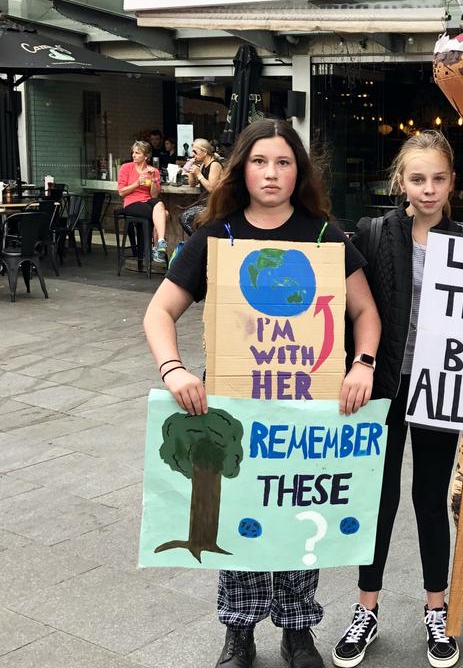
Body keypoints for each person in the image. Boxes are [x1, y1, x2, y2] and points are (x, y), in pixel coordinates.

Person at [143, 118, 382, 668]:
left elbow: (365, 311)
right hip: (235, 407)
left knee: (300, 513)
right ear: (241, 168)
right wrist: (174, 369)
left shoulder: (324, 236)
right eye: (259, 161)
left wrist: (363, 362)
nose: (271, 173)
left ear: (298, 171)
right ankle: (240, 631)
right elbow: (160, 310)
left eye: (283, 162)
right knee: (242, 514)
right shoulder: (216, 237)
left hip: (309, 408)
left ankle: (299, 630)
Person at [332, 131, 463, 668]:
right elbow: (346, 304)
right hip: (382, 389)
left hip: (440, 393)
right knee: (377, 501)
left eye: (439, 179)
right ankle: (366, 609)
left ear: (452, 182)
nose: (428, 189)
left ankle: (436, 612)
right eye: (418, 178)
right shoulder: (373, 234)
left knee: (429, 500)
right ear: (401, 180)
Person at [117, 140, 171, 263]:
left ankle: (160, 242)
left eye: (137, 153)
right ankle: (154, 248)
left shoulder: (153, 171)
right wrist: (137, 183)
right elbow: (121, 192)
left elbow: (154, 195)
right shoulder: (126, 168)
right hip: (131, 203)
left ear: (146, 156)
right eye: (133, 152)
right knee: (164, 214)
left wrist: (152, 180)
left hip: (147, 200)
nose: (133, 155)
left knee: (159, 204)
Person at [179, 138, 223, 235]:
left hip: (214, 205)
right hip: (204, 203)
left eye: (195, 151)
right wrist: (191, 170)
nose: (193, 154)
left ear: (204, 152)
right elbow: (192, 183)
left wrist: (199, 174)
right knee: (185, 217)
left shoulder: (214, 164)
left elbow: (212, 188)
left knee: (186, 217)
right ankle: (201, 242)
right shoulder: (203, 165)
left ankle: (200, 242)